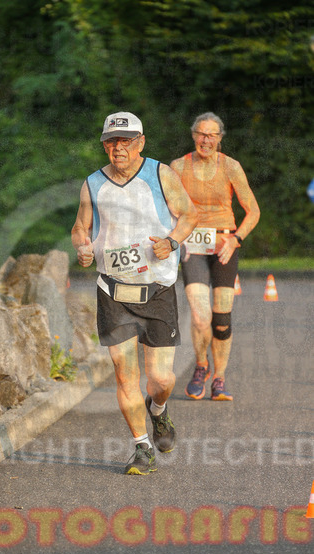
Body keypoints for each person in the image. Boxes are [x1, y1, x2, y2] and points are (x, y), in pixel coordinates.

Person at [71, 111, 198, 475]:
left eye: (126, 141)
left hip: (157, 289)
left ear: (140, 142)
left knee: (161, 380)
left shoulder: (161, 175)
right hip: (113, 290)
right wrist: (82, 247)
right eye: (112, 141)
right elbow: (80, 228)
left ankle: (158, 409)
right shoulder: (93, 184)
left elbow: (190, 215)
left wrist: (171, 242)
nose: (118, 148)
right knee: (125, 374)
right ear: (104, 146)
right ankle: (142, 448)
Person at [170, 112, 260, 401]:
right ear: (193, 135)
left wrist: (236, 239)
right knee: (200, 317)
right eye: (201, 134)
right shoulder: (178, 167)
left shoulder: (231, 167)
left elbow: (253, 211)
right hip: (193, 247)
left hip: (224, 247)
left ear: (220, 138)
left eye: (212, 135)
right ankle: (201, 366)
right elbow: (166, 207)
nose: (205, 140)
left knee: (221, 320)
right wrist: (176, 237)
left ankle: (219, 378)